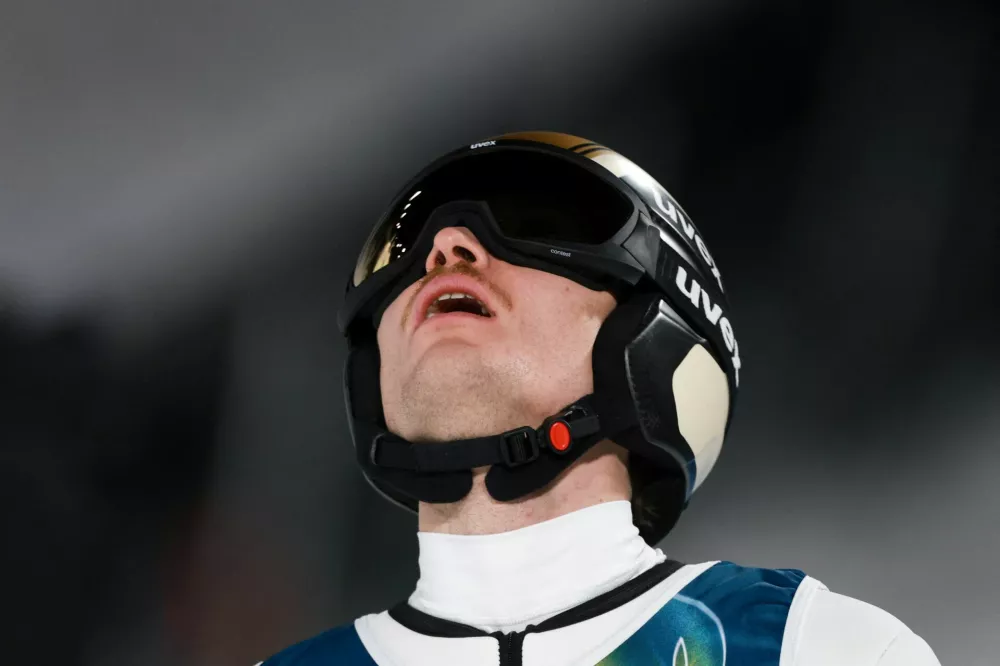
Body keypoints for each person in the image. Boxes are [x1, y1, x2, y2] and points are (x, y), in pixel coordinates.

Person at [257, 132, 940, 665]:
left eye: (537, 220)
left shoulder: (821, 651)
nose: (446, 246)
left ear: (650, 337)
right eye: (403, 249)